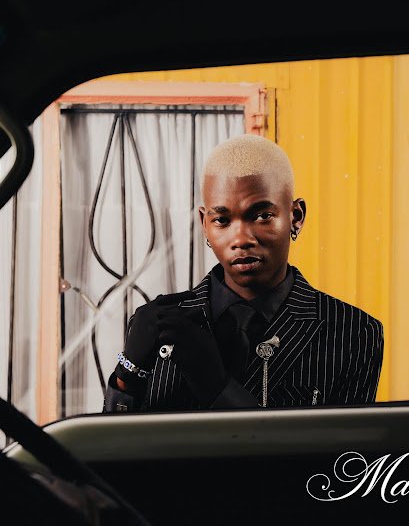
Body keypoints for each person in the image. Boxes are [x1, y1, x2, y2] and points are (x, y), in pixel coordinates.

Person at [104, 134, 383, 412]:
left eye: (262, 216)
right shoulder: (157, 323)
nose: (241, 239)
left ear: (295, 217)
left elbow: (342, 442)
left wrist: (216, 387)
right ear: (204, 224)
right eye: (222, 220)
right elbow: (116, 439)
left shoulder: (353, 332)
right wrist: (126, 377)